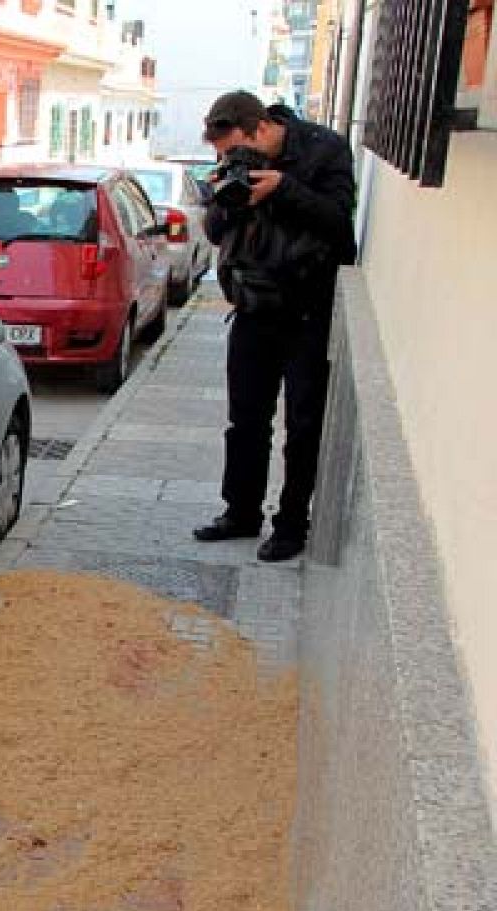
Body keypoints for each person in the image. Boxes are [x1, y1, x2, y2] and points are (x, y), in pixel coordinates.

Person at [192, 90, 357, 562]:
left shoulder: (324, 149)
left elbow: (339, 226)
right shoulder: (235, 166)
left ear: (261, 128)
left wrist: (282, 189)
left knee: (303, 425)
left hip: (307, 312)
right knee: (245, 420)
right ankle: (241, 512)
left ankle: (291, 525)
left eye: (234, 149)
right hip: (252, 308)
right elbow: (216, 232)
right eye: (223, 154)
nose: (231, 159)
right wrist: (225, 195)